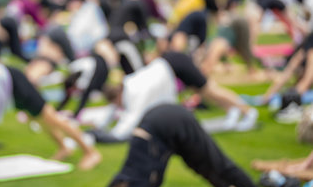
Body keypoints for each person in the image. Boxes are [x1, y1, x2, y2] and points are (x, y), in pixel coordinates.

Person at [63, 104, 274, 187]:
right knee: (197, 164)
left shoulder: (136, 176)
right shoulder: (132, 174)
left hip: (174, 121)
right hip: (161, 127)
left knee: (218, 163)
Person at [95, 50, 258, 142]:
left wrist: (113, 135)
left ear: (117, 97)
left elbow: (131, 118)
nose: (119, 106)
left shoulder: (134, 92)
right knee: (206, 93)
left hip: (175, 65)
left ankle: (248, 112)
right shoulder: (129, 84)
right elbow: (118, 112)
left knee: (210, 90)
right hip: (171, 63)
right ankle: (234, 111)